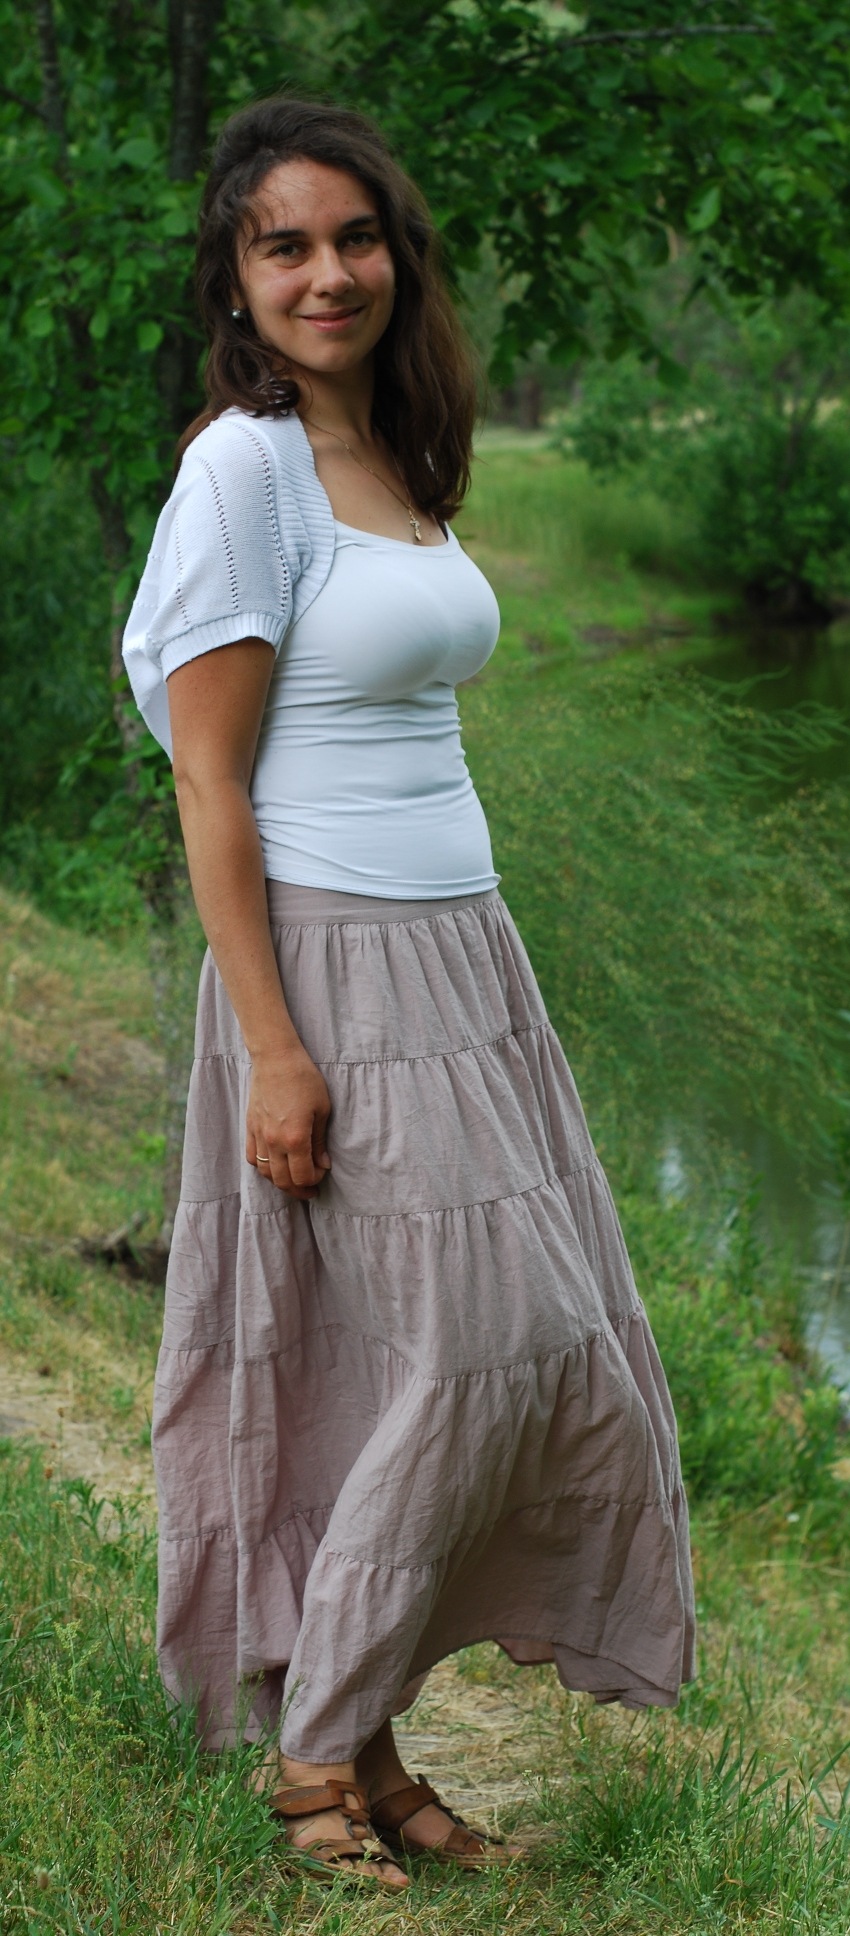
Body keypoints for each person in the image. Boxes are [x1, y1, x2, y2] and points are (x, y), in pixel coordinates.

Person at [123, 95, 695, 1892]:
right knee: (487, 1344)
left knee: (425, 1361)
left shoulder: (391, 447)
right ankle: (312, 1761)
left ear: (398, 254)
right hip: (333, 958)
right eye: (283, 245)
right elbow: (208, 781)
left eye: (353, 236)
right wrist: (274, 1048)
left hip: (463, 950)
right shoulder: (245, 469)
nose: (327, 273)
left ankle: (366, 1747)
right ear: (235, 277)